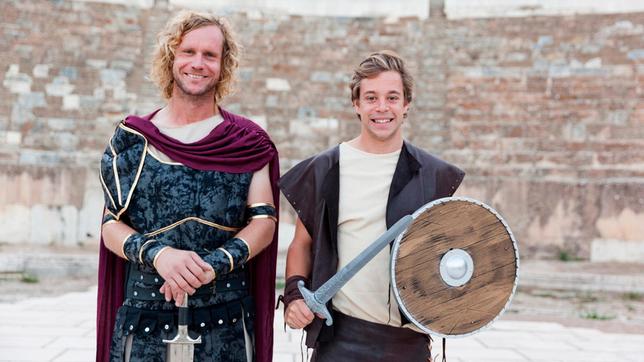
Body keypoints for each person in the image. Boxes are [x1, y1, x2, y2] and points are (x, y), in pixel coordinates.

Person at [95, 11, 279, 362]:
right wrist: (158, 255)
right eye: (188, 51)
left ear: (224, 65)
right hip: (144, 319)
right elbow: (110, 226)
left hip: (225, 323)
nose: (198, 63)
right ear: (171, 58)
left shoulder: (247, 143)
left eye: (210, 55)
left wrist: (211, 266)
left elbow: (263, 222)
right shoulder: (133, 140)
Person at [279, 50, 465, 361]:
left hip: (408, 343)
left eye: (392, 98)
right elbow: (302, 243)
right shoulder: (326, 168)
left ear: (406, 104)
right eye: (371, 98)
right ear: (357, 104)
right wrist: (295, 294)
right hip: (340, 339)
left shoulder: (435, 176)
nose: (382, 108)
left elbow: (453, 256)